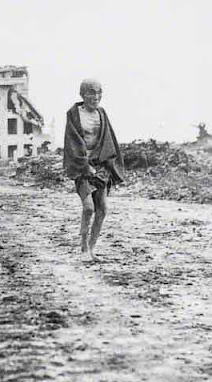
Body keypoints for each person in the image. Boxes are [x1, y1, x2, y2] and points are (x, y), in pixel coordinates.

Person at [63, 79, 125, 262]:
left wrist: (106, 164)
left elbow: (108, 140)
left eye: (99, 92)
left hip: (100, 166)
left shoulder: (102, 114)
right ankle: (83, 248)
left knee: (103, 209)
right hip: (82, 167)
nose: (95, 97)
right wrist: (85, 166)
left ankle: (92, 249)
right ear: (82, 94)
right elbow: (72, 143)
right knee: (89, 208)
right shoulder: (74, 114)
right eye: (91, 93)